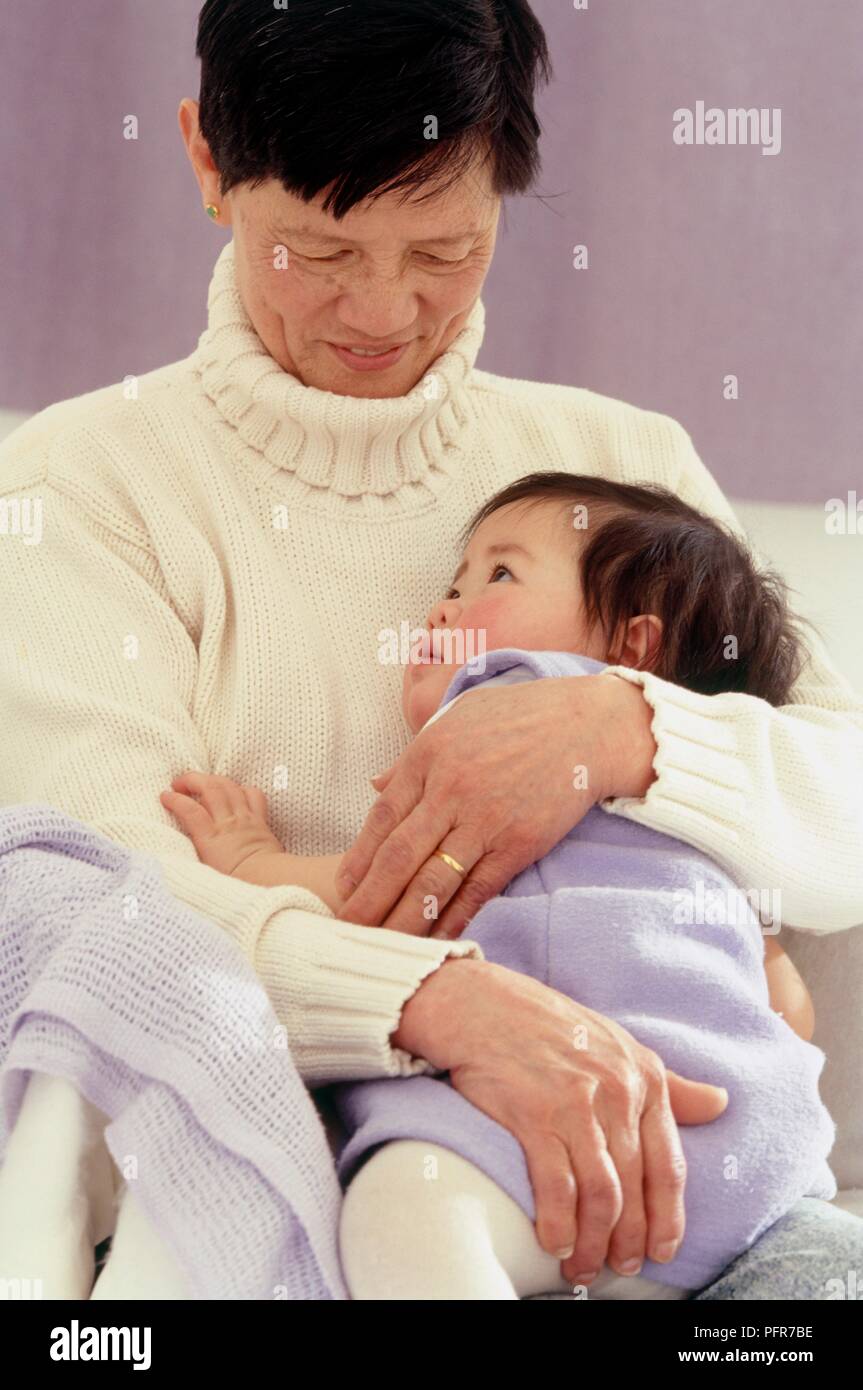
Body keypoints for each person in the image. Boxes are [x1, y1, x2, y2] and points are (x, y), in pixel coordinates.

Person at [1, 0, 861, 1298]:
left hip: (691, 1199)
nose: (383, 308)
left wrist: (620, 731)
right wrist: (430, 1004)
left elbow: (843, 806)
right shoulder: (77, 488)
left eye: (444, 246)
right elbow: (93, 928)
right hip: (278, 1223)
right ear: (202, 159)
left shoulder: (620, 467)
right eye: (318, 248)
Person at [164, 473, 836, 1299]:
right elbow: (784, 1005)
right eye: (451, 584)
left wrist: (246, 858)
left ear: (629, 651)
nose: (441, 610)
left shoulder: (504, 703)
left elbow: (367, 892)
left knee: (405, 1217)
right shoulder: (693, 796)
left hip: (519, 1158)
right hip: (743, 1147)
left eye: (498, 577)